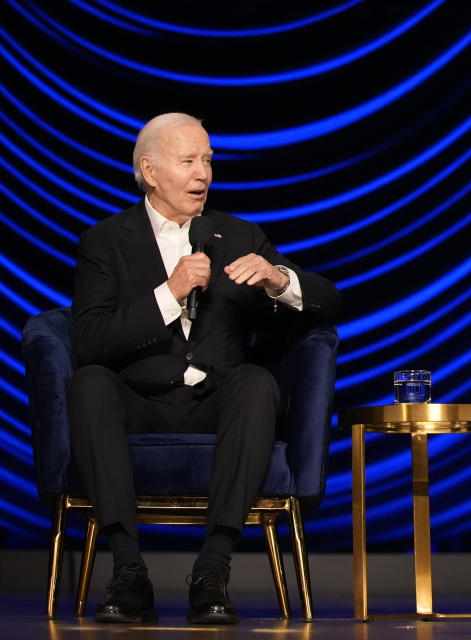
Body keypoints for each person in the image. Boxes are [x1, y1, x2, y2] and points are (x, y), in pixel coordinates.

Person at [68, 113, 342, 624]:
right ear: (150, 171)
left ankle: (212, 570)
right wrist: (168, 294)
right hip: (140, 405)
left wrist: (278, 279)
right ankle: (129, 572)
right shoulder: (105, 242)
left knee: (257, 382)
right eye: (189, 161)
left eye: (209, 160)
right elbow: (87, 340)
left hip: (218, 406)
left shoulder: (238, 235)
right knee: (87, 384)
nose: (204, 174)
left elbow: (330, 303)